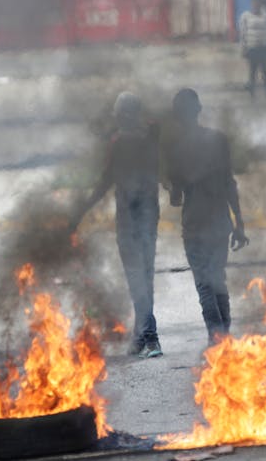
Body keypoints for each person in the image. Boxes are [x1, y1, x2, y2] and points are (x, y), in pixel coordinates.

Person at [70, 92, 162, 359]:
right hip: (148, 216)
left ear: (123, 115)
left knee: (137, 279)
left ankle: (151, 337)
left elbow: (104, 181)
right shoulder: (151, 139)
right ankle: (139, 335)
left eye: (119, 113)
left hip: (130, 220)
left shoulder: (120, 142)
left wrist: (79, 213)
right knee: (145, 277)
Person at [166, 89, 249, 345]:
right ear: (199, 110)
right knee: (217, 279)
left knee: (204, 283)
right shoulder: (218, 140)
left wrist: (171, 188)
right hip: (219, 222)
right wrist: (239, 222)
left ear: (177, 116)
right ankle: (224, 335)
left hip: (194, 224)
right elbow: (228, 183)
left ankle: (217, 337)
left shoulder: (176, 149)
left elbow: (177, 198)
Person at [238, 0, 266, 99]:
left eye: (258, 3)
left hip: (263, 49)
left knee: (265, 73)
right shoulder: (245, 16)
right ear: (251, 4)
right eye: (254, 3)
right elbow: (242, 34)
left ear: (260, 4)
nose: (256, 5)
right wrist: (243, 48)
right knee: (252, 73)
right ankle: (252, 96)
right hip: (252, 48)